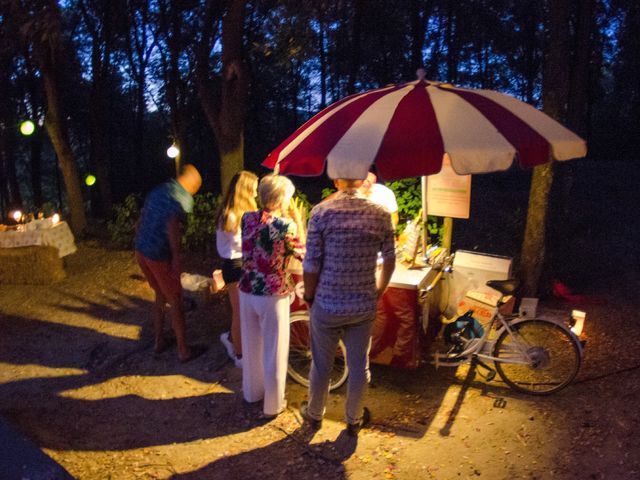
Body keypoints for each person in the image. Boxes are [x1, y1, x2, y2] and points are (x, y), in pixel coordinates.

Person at [301, 177, 395, 436]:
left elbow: (311, 264)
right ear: (363, 177)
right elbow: (389, 260)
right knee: (359, 365)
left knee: (322, 365)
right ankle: (353, 420)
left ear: (337, 179)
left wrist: (310, 296)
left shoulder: (321, 213)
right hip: (362, 305)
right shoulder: (381, 214)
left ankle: (314, 415)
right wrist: (378, 291)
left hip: (327, 303)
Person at [239, 174, 306, 419]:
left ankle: (251, 393)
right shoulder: (284, 225)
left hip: (247, 287)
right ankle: (273, 404)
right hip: (272, 292)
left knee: (252, 345)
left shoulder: (247, 218)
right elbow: (303, 253)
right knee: (275, 350)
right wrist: (298, 222)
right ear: (281, 200)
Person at [134, 164, 203, 363]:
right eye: (196, 187)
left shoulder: (159, 190)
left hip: (141, 249)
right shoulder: (180, 197)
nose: (195, 191)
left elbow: (140, 220)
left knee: (160, 295)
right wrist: (176, 258)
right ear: (191, 182)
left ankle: (159, 341)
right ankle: (183, 350)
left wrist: (140, 241)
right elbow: (173, 227)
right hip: (158, 254)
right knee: (175, 300)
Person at [216, 171, 259, 368]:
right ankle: (239, 354)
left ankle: (234, 340)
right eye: (254, 189)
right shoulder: (232, 215)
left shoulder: (239, 212)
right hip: (234, 265)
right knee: (239, 311)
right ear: (246, 190)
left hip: (241, 263)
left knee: (244, 310)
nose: (257, 193)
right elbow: (242, 245)